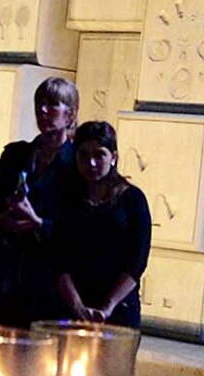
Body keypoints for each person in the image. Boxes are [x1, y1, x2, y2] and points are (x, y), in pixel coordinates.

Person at [0, 75, 78, 327]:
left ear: (70, 114)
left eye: (52, 104)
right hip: (0, 276)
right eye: (39, 103)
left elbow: (76, 227)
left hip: (44, 284)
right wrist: (1, 218)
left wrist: (38, 224)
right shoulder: (16, 154)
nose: (43, 110)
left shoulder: (77, 163)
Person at [50, 120, 149, 329]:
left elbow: (137, 261)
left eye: (99, 155)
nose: (91, 163)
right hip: (71, 306)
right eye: (83, 155)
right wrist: (77, 305)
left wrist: (108, 306)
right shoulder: (67, 199)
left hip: (119, 308)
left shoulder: (132, 199)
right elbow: (58, 257)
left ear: (113, 157)